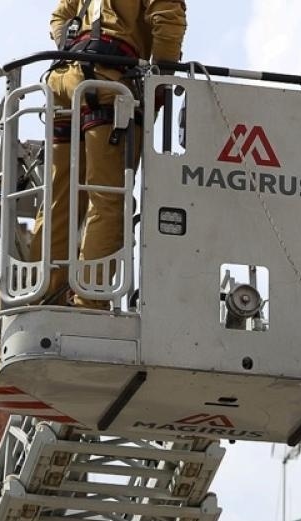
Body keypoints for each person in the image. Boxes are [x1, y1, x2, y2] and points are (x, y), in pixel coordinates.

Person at [30, 0, 187, 307]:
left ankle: (46, 296)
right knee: (108, 197)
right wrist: (160, 82)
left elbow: (60, 16)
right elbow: (168, 21)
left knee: (58, 199)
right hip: (106, 81)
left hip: (64, 79)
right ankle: (90, 301)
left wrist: (74, 47)